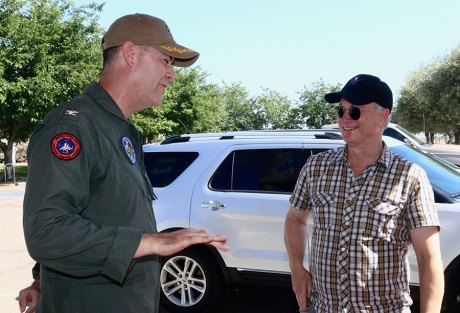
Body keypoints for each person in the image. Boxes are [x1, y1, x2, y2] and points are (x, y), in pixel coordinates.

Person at [22, 13, 228, 313]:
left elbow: (96, 209)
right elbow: (46, 231)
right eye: (166, 61)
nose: (172, 74)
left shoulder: (123, 130)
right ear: (131, 54)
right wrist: (151, 243)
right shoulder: (72, 127)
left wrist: (41, 280)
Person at [284, 74, 444, 313]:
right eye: (341, 110)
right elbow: (295, 218)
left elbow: (428, 258)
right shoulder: (316, 167)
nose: (345, 118)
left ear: (383, 117)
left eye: (355, 111)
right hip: (321, 308)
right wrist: (296, 266)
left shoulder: (410, 177)